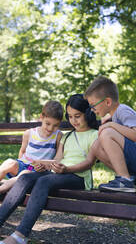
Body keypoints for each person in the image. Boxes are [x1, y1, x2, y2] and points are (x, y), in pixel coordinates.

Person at [0, 94, 98, 244]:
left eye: (77, 116)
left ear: (88, 113)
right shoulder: (67, 137)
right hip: (59, 173)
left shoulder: (95, 135)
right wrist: (44, 164)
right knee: (25, 177)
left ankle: (21, 235)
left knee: (44, 181)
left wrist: (66, 169)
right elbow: (57, 160)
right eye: (70, 117)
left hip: (78, 177)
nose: (74, 121)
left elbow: (89, 163)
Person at [84, 75, 136, 193]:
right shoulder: (115, 115)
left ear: (107, 101)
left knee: (106, 133)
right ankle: (130, 178)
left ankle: (124, 181)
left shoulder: (123, 110)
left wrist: (110, 125)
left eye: (93, 105)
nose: (93, 110)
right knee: (96, 146)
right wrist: (110, 123)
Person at [0, 100, 63, 193]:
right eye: (48, 123)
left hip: (37, 170)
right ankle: (11, 180)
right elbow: (22, 151)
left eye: (55, 125)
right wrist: (19, 164)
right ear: (42, 117)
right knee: (9, 162)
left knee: (25, 173)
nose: (50, 128)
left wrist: (46, 166)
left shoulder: (58, 135)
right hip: (25, 164)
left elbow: (58, 158)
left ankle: (2, 188)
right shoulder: (29, 133)